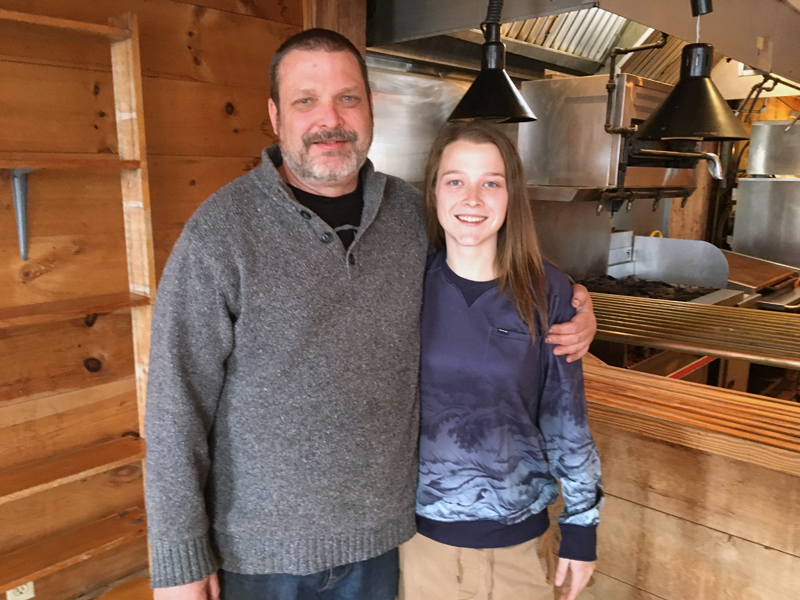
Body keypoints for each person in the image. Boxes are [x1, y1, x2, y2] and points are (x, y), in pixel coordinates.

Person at [144, 28, 597, 600]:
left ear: (369, 108)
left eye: (347, 98)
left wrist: (577, 304)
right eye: (306, 99)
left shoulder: (410, 215)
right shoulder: (221, 233)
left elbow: (487, 260)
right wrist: (179, 556)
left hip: (385, 546)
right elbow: (173, 405)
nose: (329, 118)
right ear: (274, 115)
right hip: (260, 557)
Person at [398, 122, 603, 600]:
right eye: (455, 180)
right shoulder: (406, 285)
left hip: (520, 544)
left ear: (512, 196)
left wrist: (582, 527)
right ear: (433, 192)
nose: (472, 197)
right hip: (422, 543)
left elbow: (566, 419)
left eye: (490, 182)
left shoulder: (549, 291)